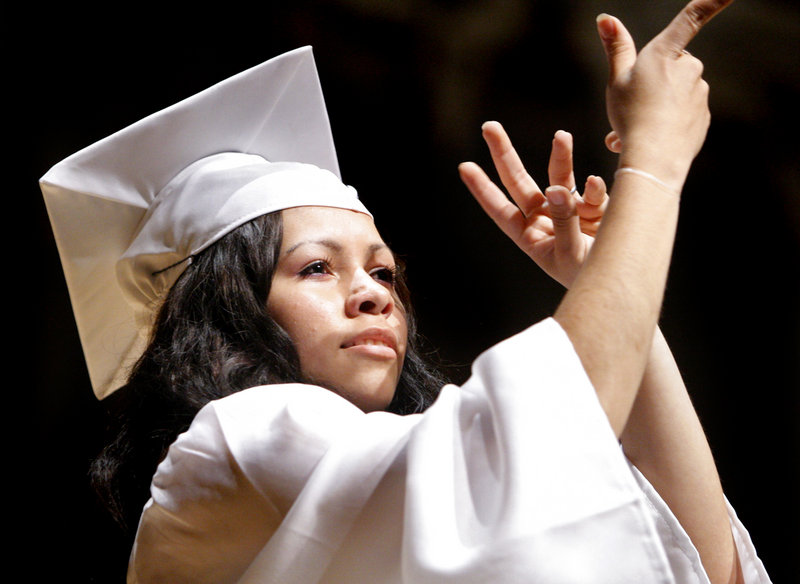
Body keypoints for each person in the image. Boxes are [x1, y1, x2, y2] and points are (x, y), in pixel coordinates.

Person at [39, 0, 771, 582]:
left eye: (383, 271)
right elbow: (539, 453)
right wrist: (651, 167)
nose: (373, 295)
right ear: (228, 312)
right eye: (317, 268)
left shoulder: (401, 474)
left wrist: (598, 275)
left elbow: (700, 564)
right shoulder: (236, 442)